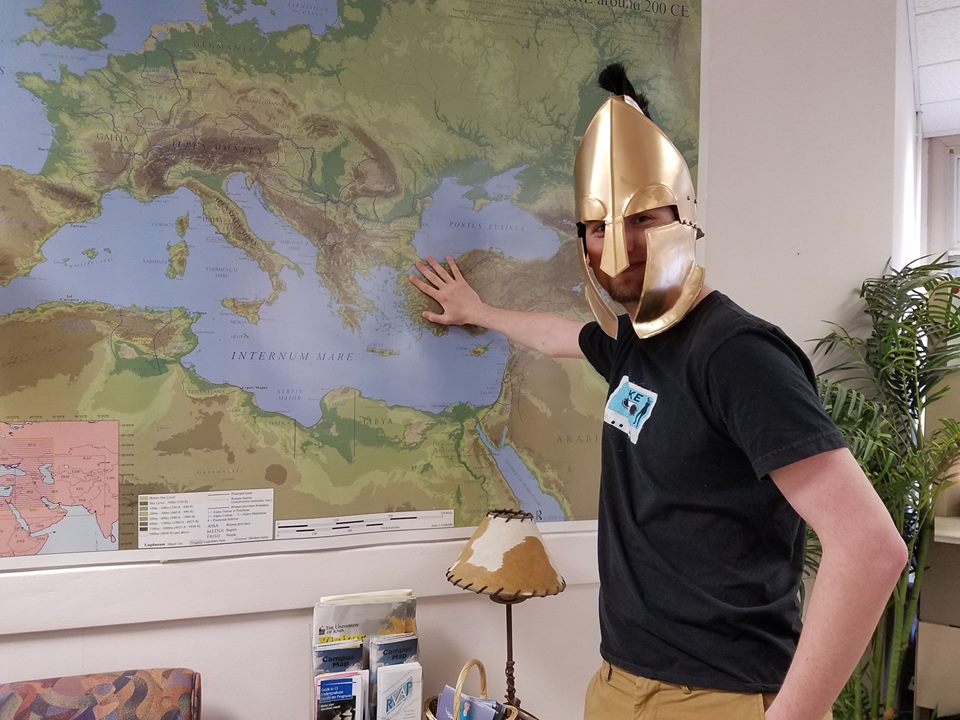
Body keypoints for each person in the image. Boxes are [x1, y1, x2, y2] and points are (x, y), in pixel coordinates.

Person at [409, 64, 907, 720]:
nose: (619, 245)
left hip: (715, 697)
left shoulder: (736, 354)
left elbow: (871, 547)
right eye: (597, 226)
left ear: (685, 215)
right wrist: (480, 310)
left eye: (644, 216)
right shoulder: (634, 348)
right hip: (619, 684)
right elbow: (560, 334)